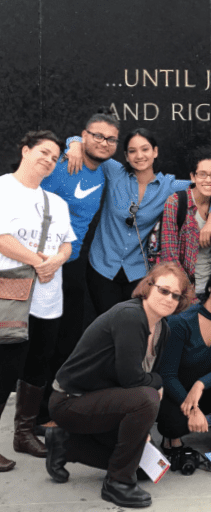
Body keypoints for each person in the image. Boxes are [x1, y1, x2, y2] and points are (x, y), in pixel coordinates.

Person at [45, 263, 193, 508]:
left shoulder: (162, 329)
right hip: (71, 401)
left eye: (176, 295)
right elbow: (132, 379)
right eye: (164, 290)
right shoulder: (131, 315)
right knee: (147, 398)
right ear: (148, 287)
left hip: (106, 402)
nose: (169, 299)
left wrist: (142, 427)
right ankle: (117, 483)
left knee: (145, 469)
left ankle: (66, 446)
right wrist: (157, 383)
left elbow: (136, 383)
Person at [66, 128, 211, 315]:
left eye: (145, 149)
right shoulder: (115, 172)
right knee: (107, 327)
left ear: (155, 152)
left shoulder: (168, 186)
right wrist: (75, 145)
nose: (139, 156)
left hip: (138, 273)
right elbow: (82, 140)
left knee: (134, 329)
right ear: (126, 156)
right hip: (102, 268)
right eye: (133, 151)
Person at [0, 131, 74, 472]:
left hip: (47, 295)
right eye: (43, 152)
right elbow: (2, 239)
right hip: (11, 294)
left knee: (38, 363)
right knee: (5, 367)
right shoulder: (4, 189)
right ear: (25, 150)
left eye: (55, 156)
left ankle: (24, 433)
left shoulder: (55, 202)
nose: (49, 159)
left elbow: (67, 245)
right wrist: (37, 260)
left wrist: (55, 261)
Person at [40, 114, 120, 397]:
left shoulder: (107, 169)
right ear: (84, 135)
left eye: (110, 139)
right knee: (41, 341)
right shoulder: (60, 163)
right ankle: (34, 415)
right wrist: (71, 144)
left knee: (67, 339)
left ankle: (53, 407)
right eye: (97, 136)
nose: (103, 142)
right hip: (42, 264)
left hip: (72, 263)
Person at [157, 261, 211, 464]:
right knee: (172, 425)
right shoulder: (181, 321)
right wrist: (193, 410)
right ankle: (172, 439)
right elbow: (168, 375)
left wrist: (201, 384)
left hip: (206, 392)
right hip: (177, 394)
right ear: (210, 287)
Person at [159, 147, 211, 295]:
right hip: (183, 293)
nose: (208, 180)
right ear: (193, 176)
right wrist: (188, 295)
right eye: (202, 174)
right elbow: (169, 257)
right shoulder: (176, 203)